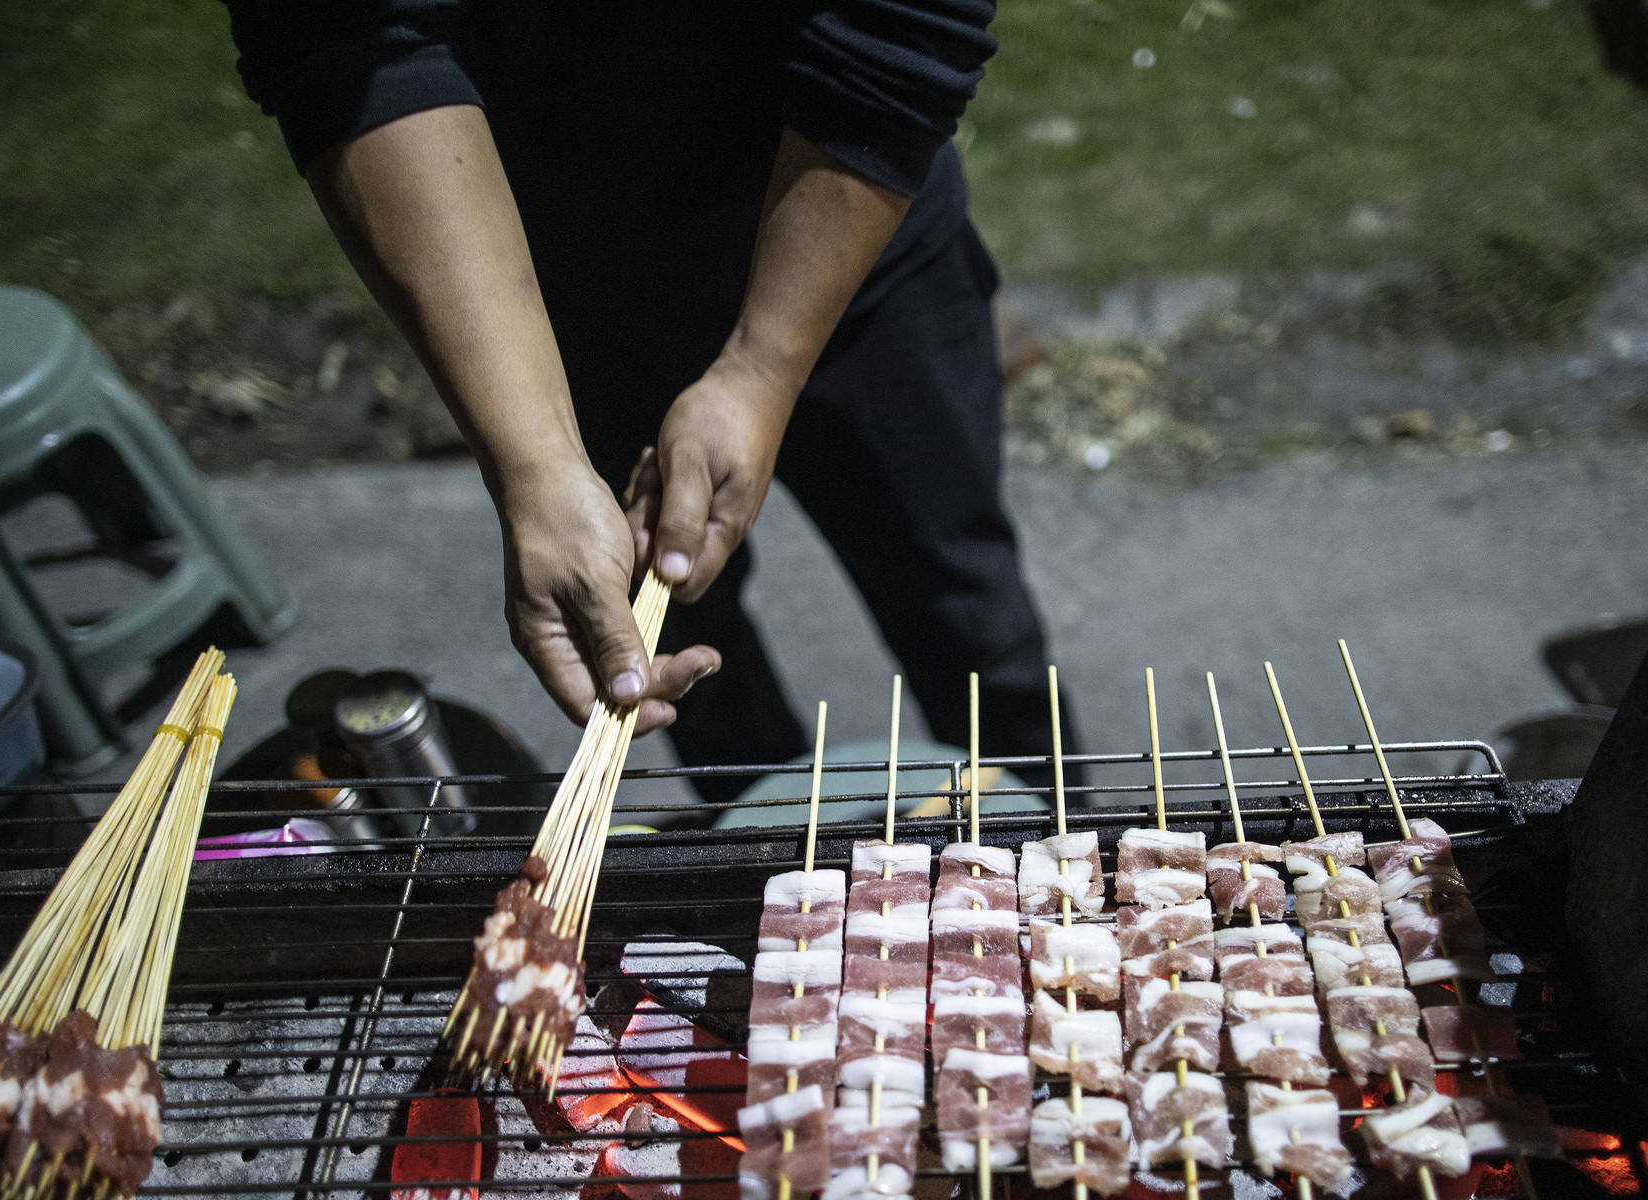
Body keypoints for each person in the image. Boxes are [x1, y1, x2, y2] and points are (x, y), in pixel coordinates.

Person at [224, 2, 1067, 798]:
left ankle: (1059, 836)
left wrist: (760, 369)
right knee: (666, 639)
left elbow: (901, 23)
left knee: (966, 604)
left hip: (861, 243)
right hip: (554, 301)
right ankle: (759, 854)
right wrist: (537, 468)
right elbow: (349, 42)